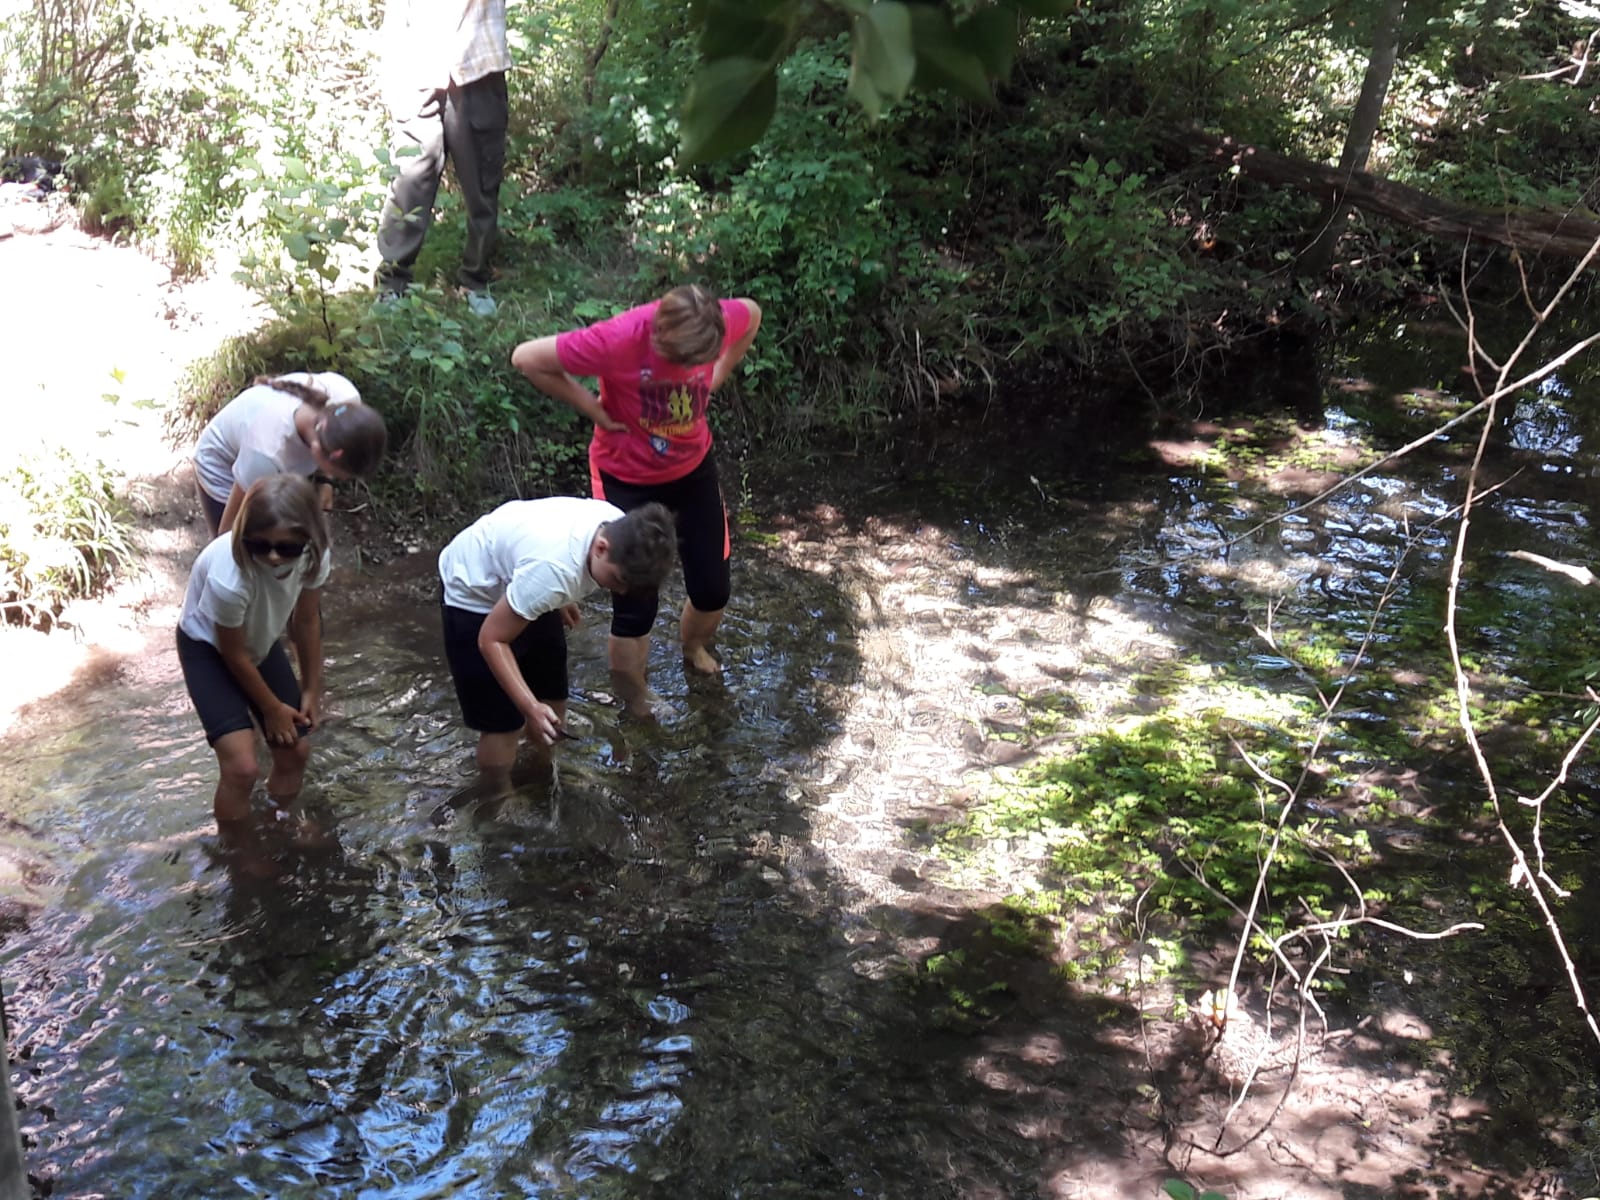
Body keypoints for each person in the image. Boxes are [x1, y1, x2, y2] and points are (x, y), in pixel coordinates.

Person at [509, 285, 763, 718]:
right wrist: (592, 407)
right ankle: (636, 699)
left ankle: (693, 645)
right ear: (660, 335)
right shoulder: (617, 339)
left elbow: (752, 314)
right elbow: (526, 358)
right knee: (634, 603)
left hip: (693, 467)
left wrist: (719, 371)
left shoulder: (718, 318)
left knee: (712, 587)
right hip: (625, 477)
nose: (689, 372)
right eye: (680, 363)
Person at [439, 496, 677, 774]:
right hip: (471, 591)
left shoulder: (616, 527)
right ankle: (497, 797)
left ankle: (540, 771)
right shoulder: (553, 572)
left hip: (526, 581)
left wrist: (560, 597)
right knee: (504, 725)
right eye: (619, 580)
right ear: (601, 547)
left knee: (553, 702)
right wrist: (529, 707)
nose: (621, 592)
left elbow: (546, 559)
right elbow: (491, 640)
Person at [176, 475, 332, 828]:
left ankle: (274, 823)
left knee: (295, 752)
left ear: (308, 538)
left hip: (257, 642)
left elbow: (306, 622)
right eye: (260, 545)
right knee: (242, 768)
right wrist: (271, 708)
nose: (273, 556)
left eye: (286, 547)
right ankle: (238, 851)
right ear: (244, 535)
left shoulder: (315, 557)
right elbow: (233, 654)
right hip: (208, 648)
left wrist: (311, 688)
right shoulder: (229, 576)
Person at [374, 0, 510, 304]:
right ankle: (391, 284)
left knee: (483, 184)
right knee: (410, 177)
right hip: (417, 62)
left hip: (480, 62)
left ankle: (475, 282)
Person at [193, 372, 388, 536]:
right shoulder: (268, 452)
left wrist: (325, 482)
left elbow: (334, 437)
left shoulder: (346, 399)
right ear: (323, 452)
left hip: (255, 447)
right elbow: (226, 534)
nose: (339, 479)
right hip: (219, 464)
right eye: (338, 475)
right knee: (244, 542)